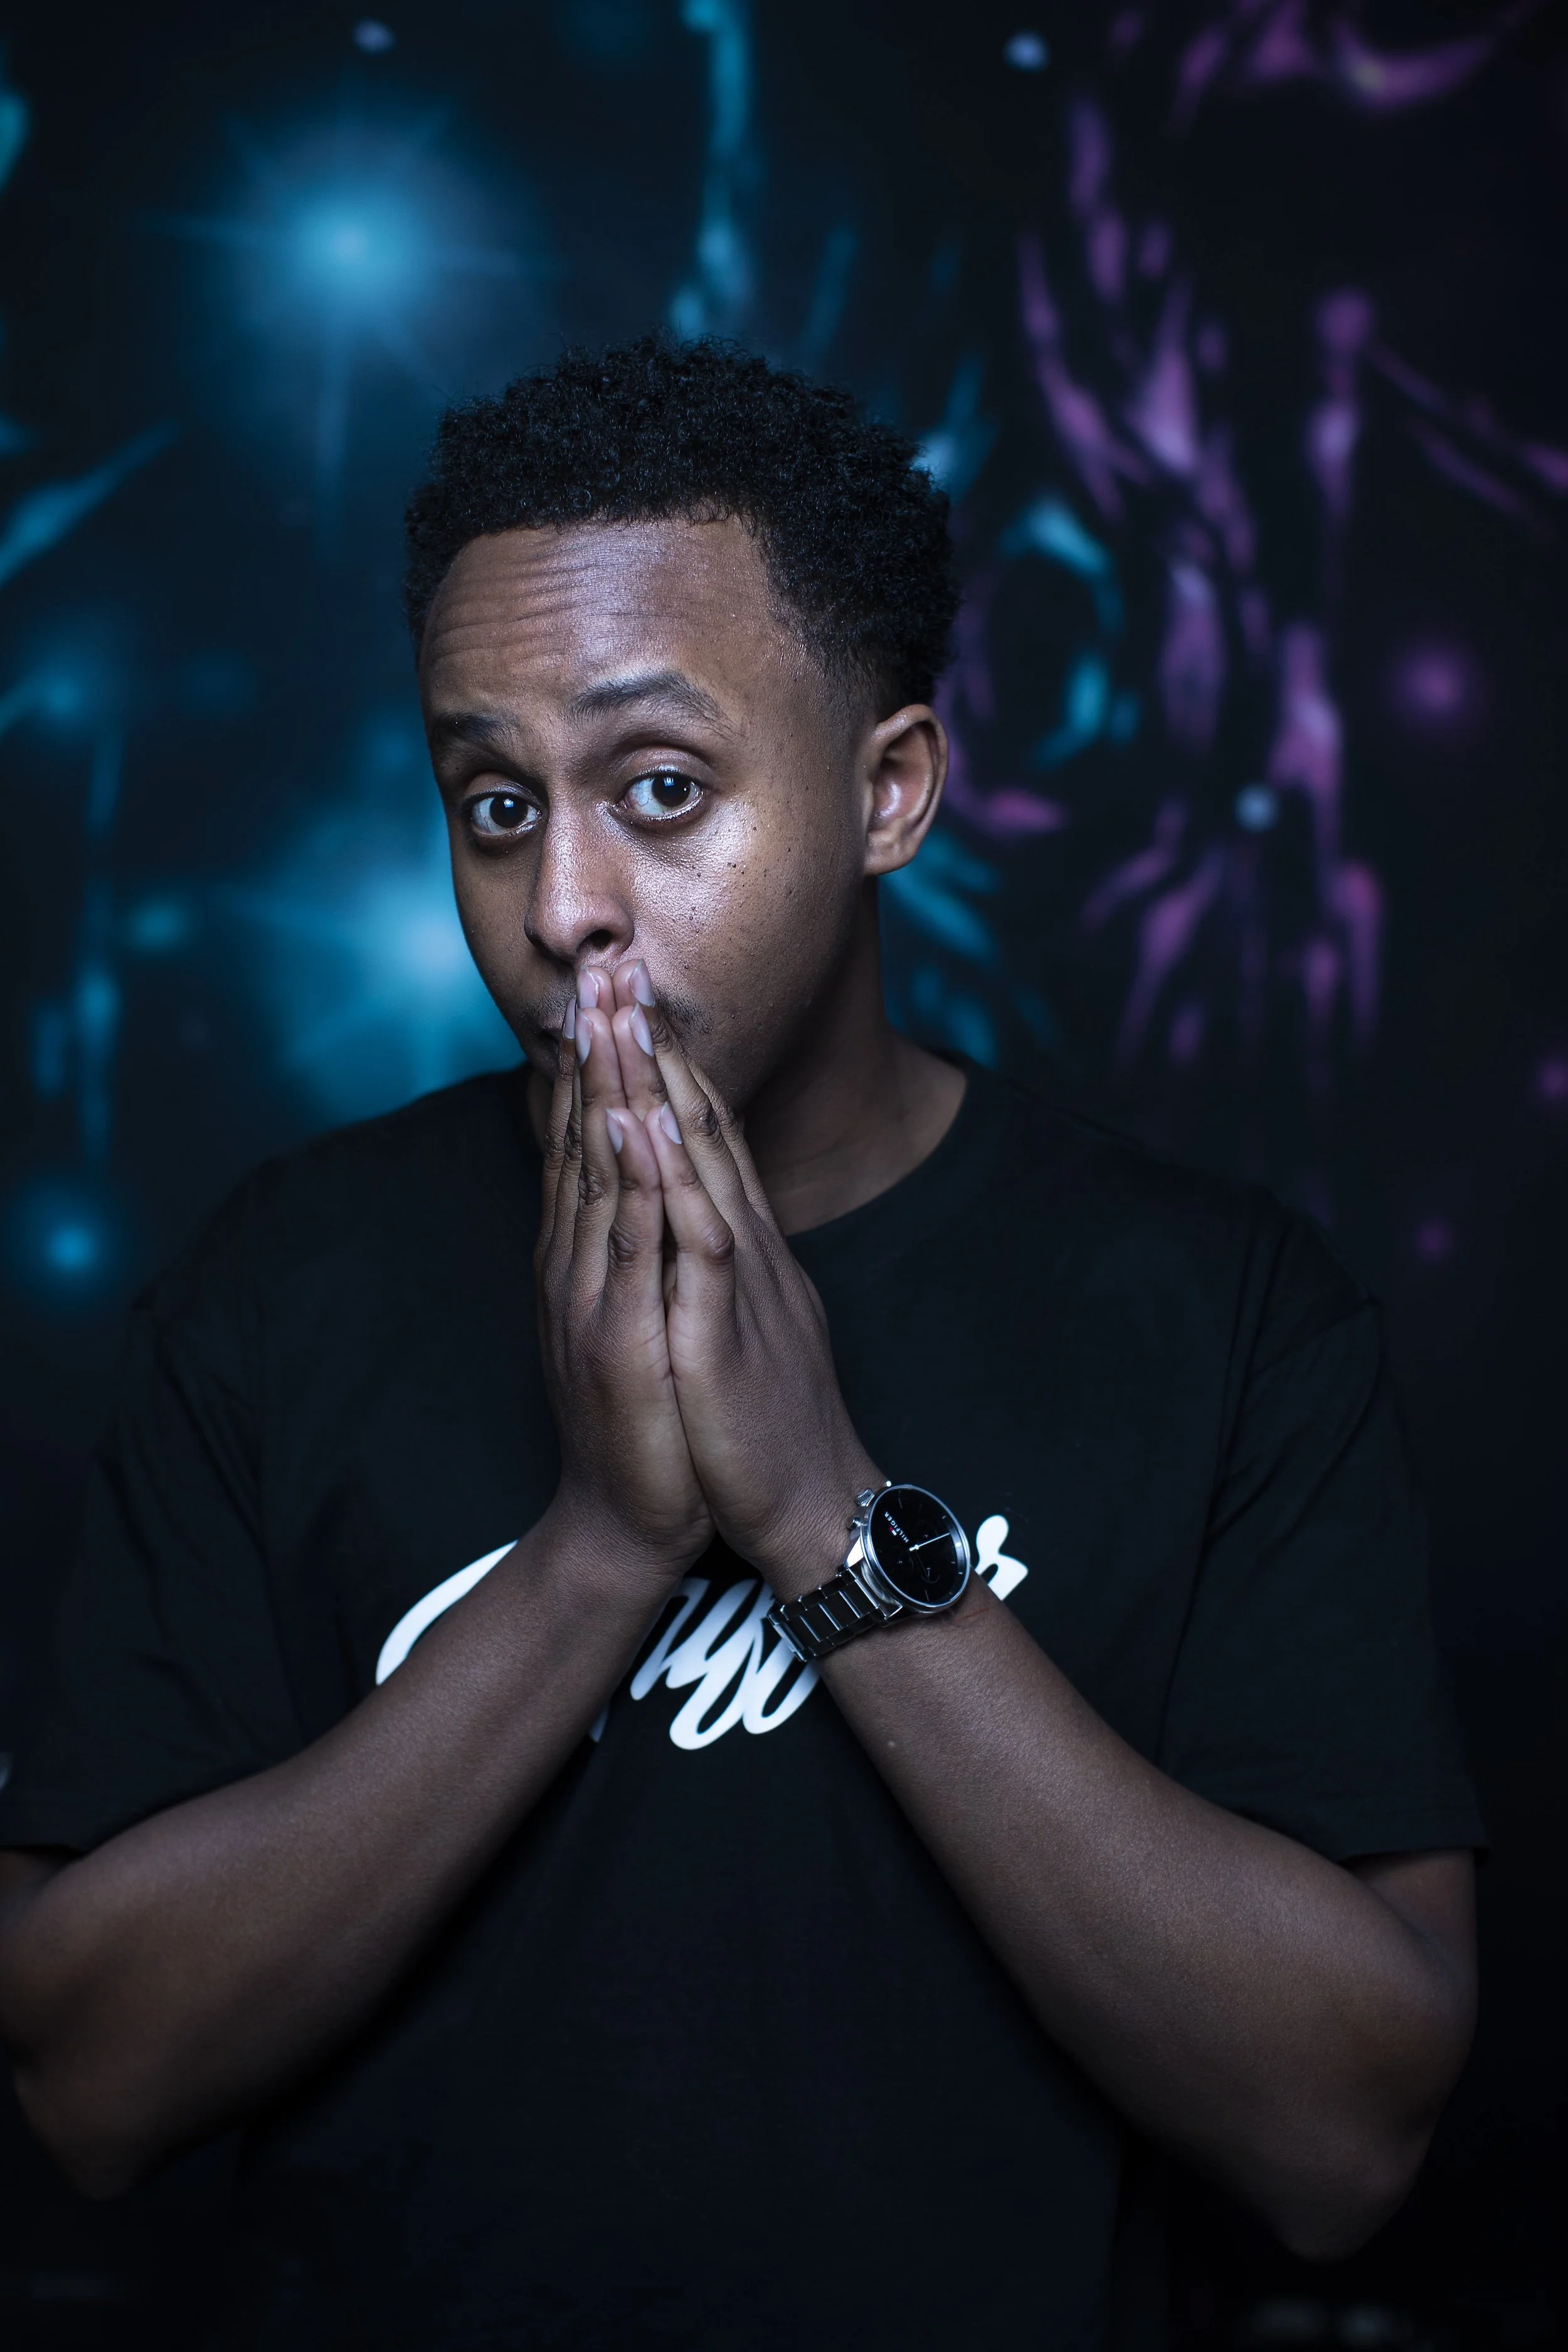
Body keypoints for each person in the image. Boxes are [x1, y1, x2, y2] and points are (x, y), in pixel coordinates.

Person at [0, 338, 1481, 2352]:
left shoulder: (1218, 1309)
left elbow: (1341, 2135)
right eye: (495, 801)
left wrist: (820, 1506)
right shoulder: (281, 1283)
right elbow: (87, 2087)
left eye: (662, 790)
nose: (563, 907)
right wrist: (603, 1548)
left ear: (888, 791)